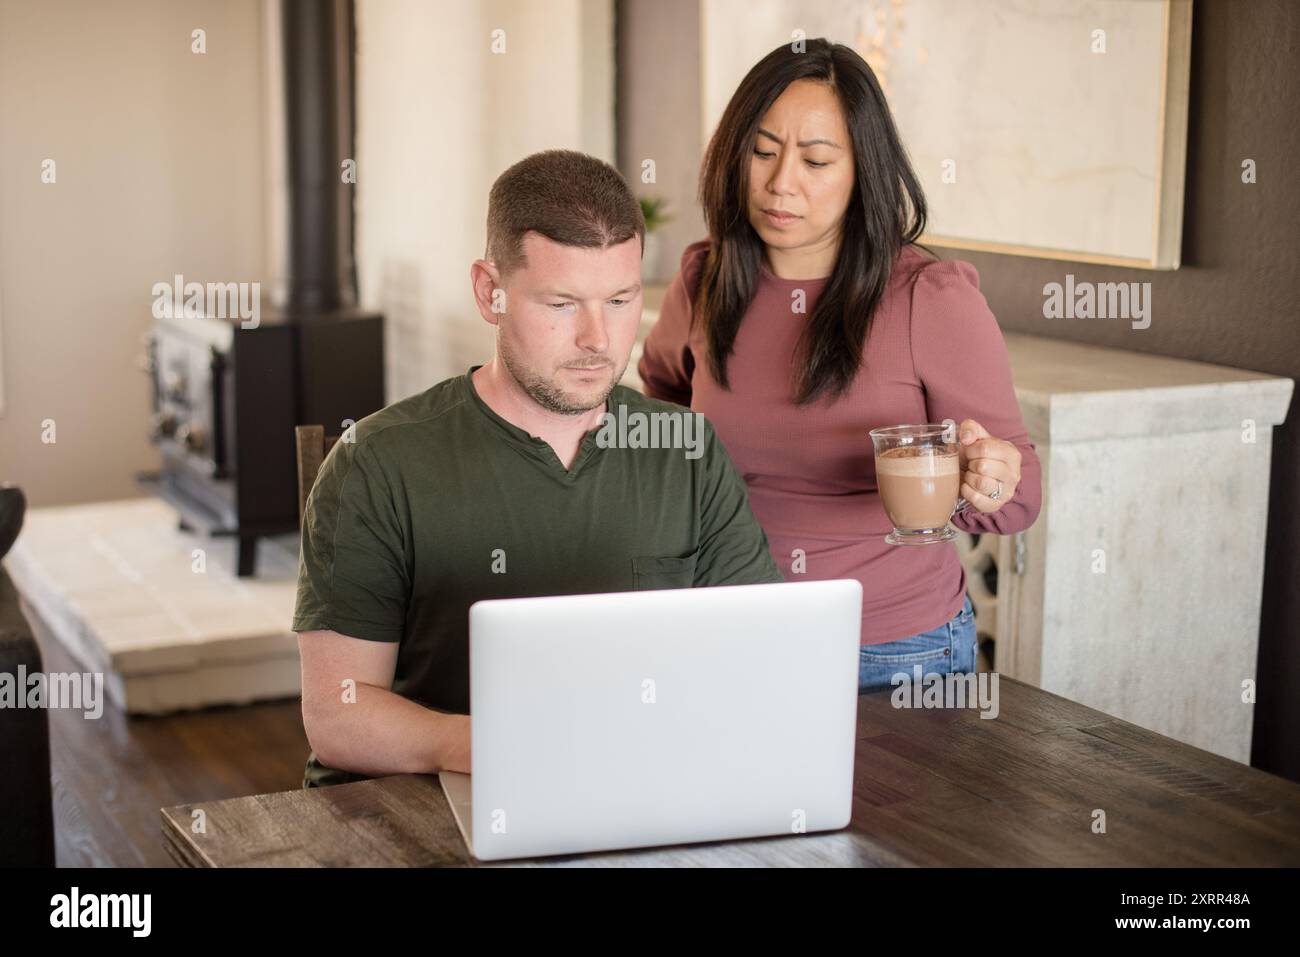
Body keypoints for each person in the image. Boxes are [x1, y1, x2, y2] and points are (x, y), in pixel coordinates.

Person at [293, 150, 782, 787]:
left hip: (635, 794)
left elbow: (755, 659)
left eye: (620, 299)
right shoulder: (376, 463)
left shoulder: (686, 448)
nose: (598, 339)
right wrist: (495, 747)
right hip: (430, 810)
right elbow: (337, 713)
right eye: (560, 304)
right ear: (487, 291)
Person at [638, 40, 1042, 694]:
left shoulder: (930, 300)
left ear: (863, 171)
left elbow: (1018, 499)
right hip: (726, 629)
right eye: (762, 152)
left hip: (891, 650)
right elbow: (661, 397)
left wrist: (988, 476)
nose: (780, 182)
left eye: (816, 159)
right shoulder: (704, 279)